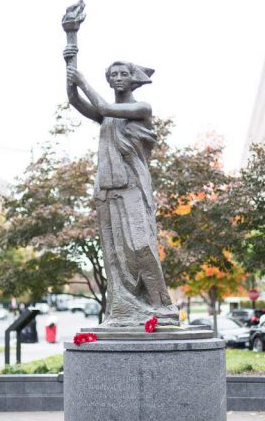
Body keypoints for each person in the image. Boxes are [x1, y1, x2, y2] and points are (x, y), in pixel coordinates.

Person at [64, 51, 179, 327]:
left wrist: (82, 79)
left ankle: (161, 306)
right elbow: (74, 100)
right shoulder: (108, 118)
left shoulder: (141, 108)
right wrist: (70, 62)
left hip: (133, 186)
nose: (117, 78)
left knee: (140, 245)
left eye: (123, 74)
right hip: (108, 187)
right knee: (115, 252)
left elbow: (103, 107)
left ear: (133, 80)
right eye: (112, 75)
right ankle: (124, 308)